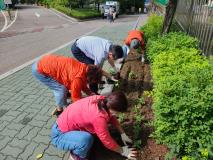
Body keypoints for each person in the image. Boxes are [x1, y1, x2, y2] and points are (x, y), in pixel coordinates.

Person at [51, 91, 138, 160]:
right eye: (118, 112)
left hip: (67, 125)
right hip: (60, 134)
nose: (118, 114)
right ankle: (76, 157)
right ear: (113, 109)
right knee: (86, 139)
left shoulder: (103, 100)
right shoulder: (98, 117)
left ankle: (76, 142)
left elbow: (111, 116)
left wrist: (123, 133)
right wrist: (123, 151)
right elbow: (106, 140)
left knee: (93, 136)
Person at [32, 54, 103, 117]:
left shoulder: (84, 68)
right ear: (90, 77)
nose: (91, 83)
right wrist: (87, 108)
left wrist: (90, 93)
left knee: (64, 89)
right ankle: (59, 111)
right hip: (39, 69)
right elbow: (75, 98)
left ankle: (64, 103)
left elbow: (83, 84)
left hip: (45, 61)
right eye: (93, 81)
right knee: (60, 89)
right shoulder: (77, 78)